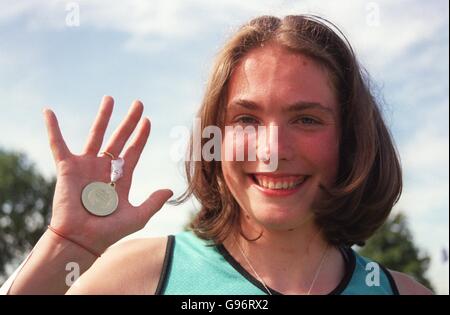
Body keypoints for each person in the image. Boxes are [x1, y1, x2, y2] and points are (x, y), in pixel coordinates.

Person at [1, 14, 433, 295]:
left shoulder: (402, 292)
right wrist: (66, 247)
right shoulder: (139, 277)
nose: (273, 151)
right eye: (246, 120)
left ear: (351, 139)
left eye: (306, 120)